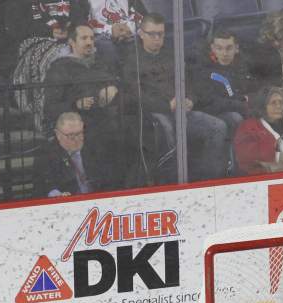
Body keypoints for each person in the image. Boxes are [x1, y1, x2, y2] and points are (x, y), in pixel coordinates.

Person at [120, 13, 229, 183]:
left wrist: (190, 99)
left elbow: (190, 81)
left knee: (218, 127)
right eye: (152, 34)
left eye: (161, 34)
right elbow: (135, 95)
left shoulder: (172, 53)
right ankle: (170, 185)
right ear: (141, 33)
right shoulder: (131, 58)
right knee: (168, 132)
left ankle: (209, 183)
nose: (157, 39)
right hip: (155, 114)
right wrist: (166, 105)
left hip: (182, 111)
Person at [43, 24, 123, 159]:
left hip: (112, 119)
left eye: (92, 38)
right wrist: (76, 104)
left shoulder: (102, 64)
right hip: (83, 125)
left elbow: (119, 88)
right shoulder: (60, 68)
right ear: (72, 42)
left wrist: (113, 92)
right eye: (84, 38)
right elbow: (50, 107)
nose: (89, 42)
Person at [232, 87, 283, 175]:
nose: (279, 106)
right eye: (273, 103)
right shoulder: (248, 126)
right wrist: (278, 157)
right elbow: (244, 153)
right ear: (263, 106)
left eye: (281, 102)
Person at [32, 112, 114, 197]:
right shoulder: (46, 155)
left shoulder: (94, 148)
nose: (77, 139)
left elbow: (108, 179)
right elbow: (45, 186)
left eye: (80, 133)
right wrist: (56, 194)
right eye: (71, 135)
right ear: (58, 134)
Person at [192, 30, 257, 136]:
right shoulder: (204, 70)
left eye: (229, 48)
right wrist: (241, 103)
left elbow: (254, 89)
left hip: (240, 107)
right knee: (235, 118)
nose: (224, 53)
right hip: (216, 113)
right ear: (213, 48)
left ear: (236, 48)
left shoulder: (244, 65)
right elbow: (210, 101)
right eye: (219, 48)